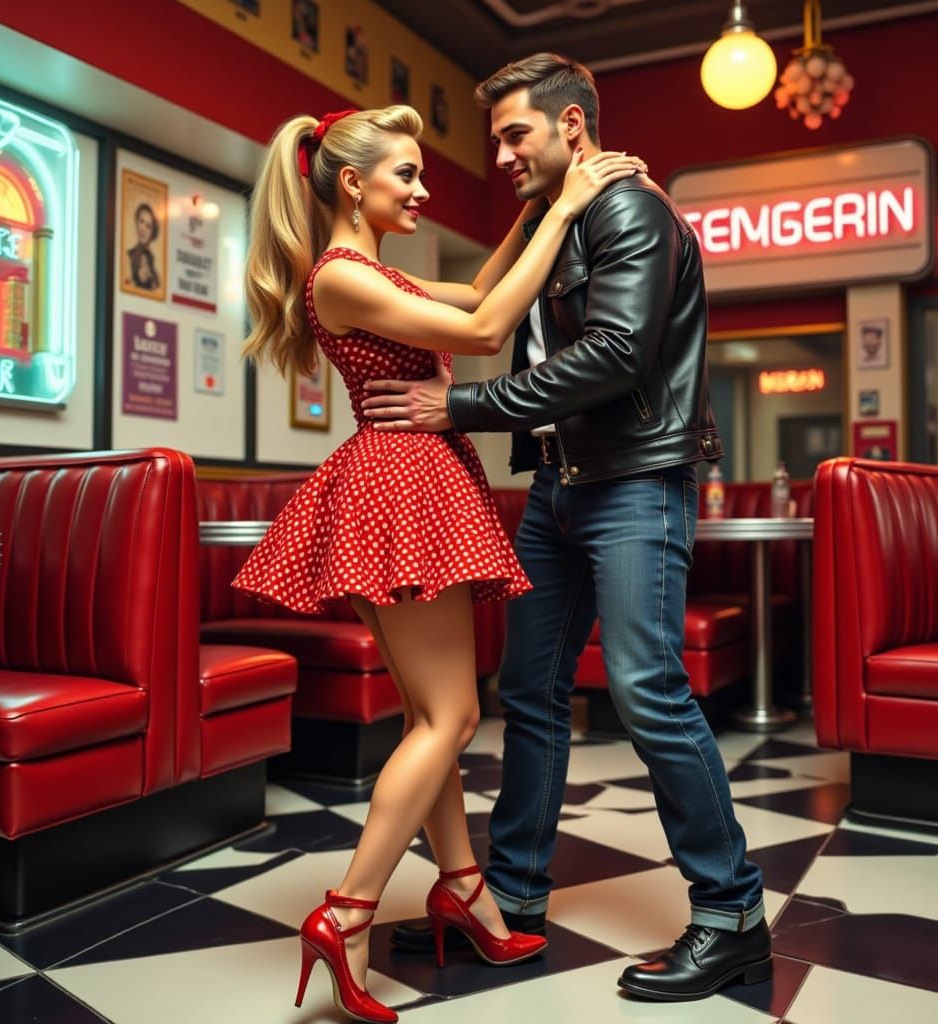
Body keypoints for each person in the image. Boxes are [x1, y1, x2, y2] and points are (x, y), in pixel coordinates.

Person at [366, 54, 773, 1003]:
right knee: (532, 691)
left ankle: (732, 912)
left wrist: (458, 409)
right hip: (559, 483)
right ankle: (511, 894)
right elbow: (490, 305)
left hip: (636, 480)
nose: (502, 154)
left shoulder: (628, 211)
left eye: (516, 135)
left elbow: (620, 354)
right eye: (496, 138)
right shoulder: (564, 219)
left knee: (645, 687)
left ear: (573, 128)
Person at [234, 104, 642, 1023]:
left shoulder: (370, 268)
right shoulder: (341, 278)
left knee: (429, 712)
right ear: (351, 182)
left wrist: (541, 210)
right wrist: (573, 202)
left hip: (401, 481)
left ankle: (463, 887)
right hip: (401, 487)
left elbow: (476, 290)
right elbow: (494, 327)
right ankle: (347, 912)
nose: (422, 189)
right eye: (406, 175)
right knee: (455, 716)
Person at [127, 202, 161, 291]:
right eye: (141, 221)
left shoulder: (152, 260)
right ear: (136, 222)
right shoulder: (129, 256)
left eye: (148, 226)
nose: (143, 229)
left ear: (152, 232)